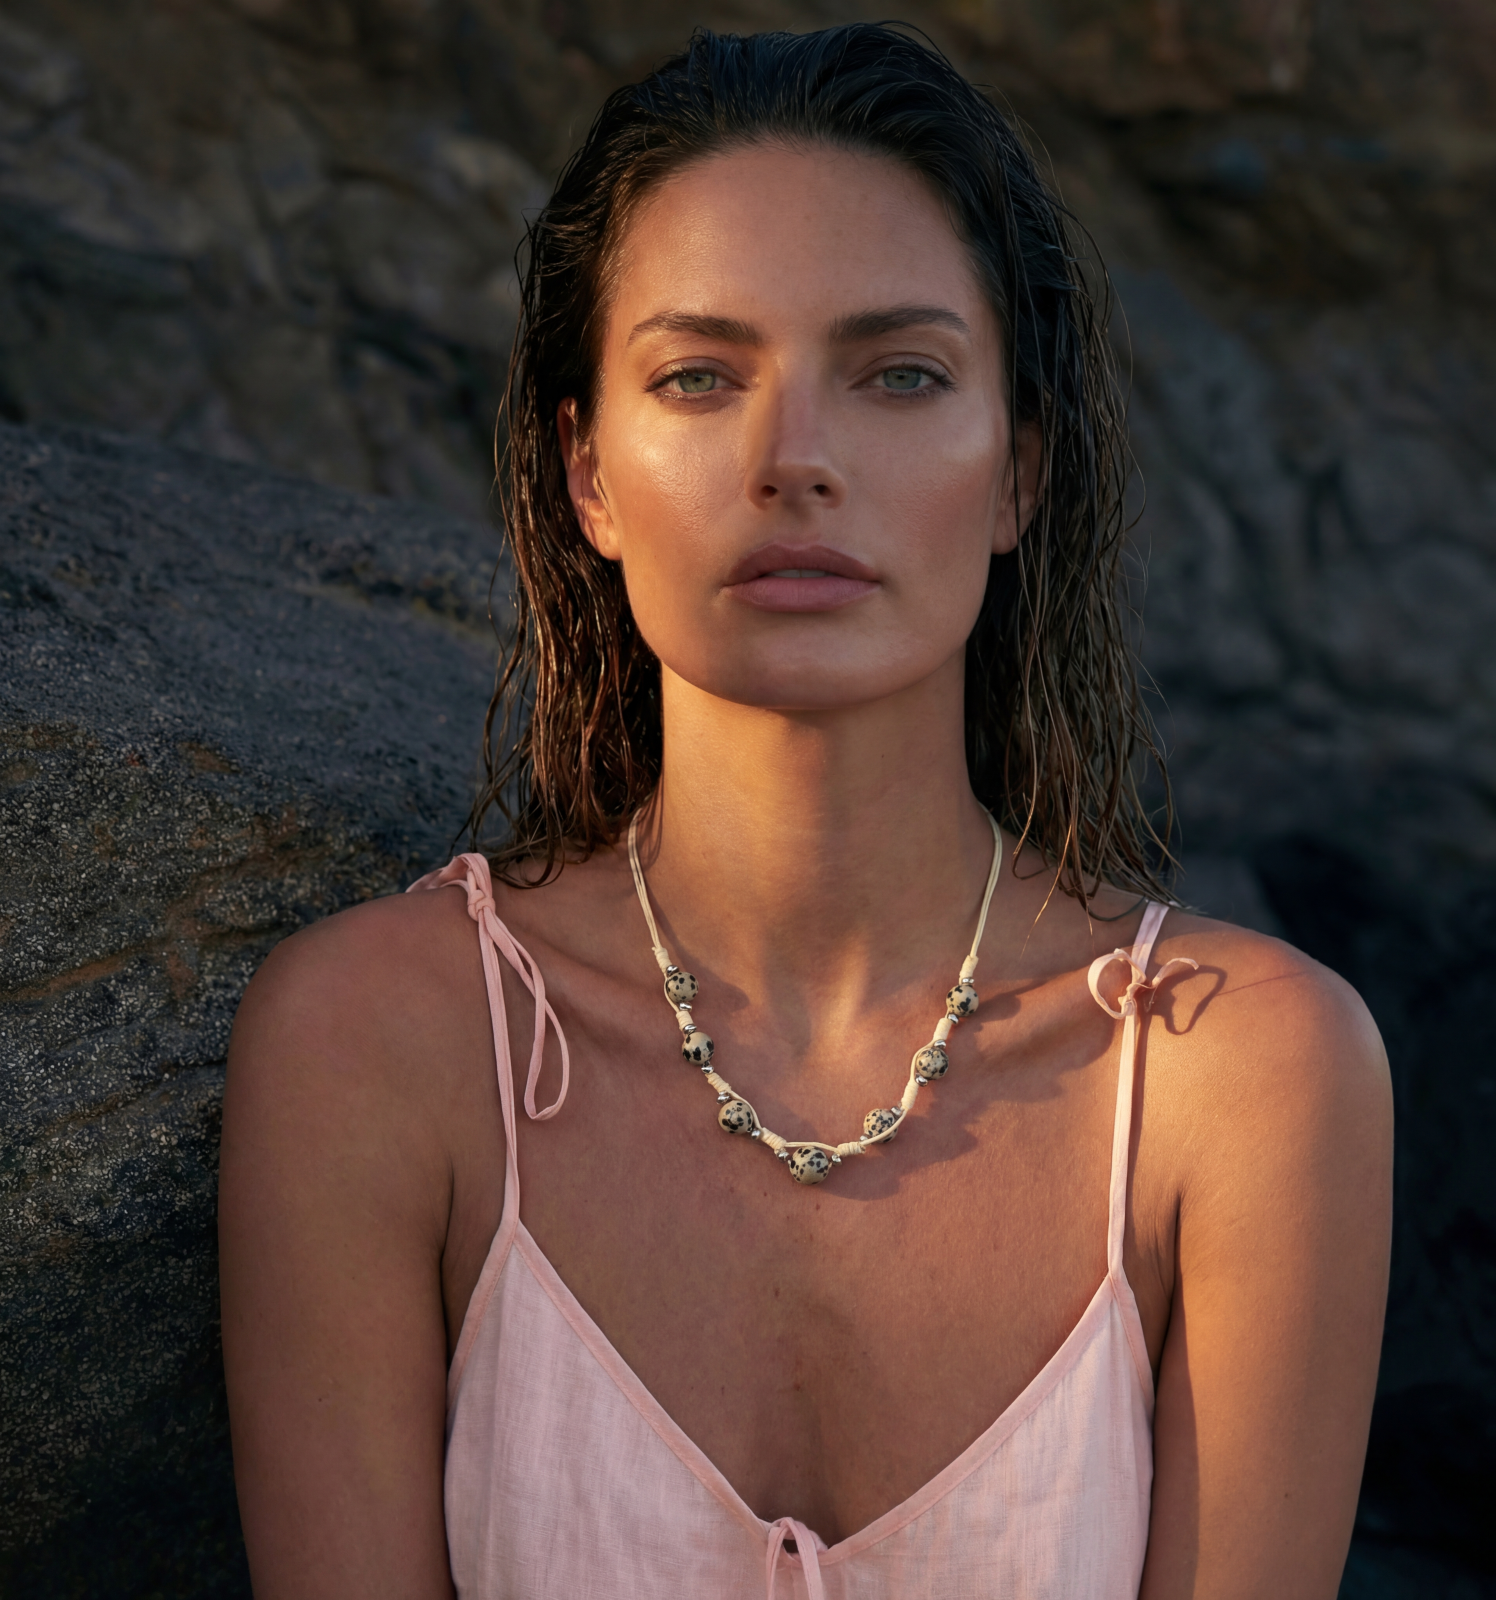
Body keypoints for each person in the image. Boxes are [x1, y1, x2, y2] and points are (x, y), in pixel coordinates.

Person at [219, 23, 1392, 1599]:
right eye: (700, 377)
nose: (798, 461)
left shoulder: (1235, 1081)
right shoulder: (382, 1046)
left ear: (1019, 472)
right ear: (588, 474)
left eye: (899, 375)